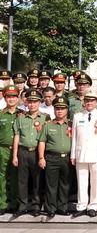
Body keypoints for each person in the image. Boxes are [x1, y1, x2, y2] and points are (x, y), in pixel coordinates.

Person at [70, 88, 97, 217]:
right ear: (84, 102)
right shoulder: (77, 116)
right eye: (87, 100)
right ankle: (81, 205)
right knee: (81, 181)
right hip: (80, 154)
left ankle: (93, 205)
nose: (89, 103)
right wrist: (73, 155)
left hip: (96, 154)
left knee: (95, 182)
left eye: (92, 100)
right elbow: (74, 137)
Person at [12, 89, 49, 216]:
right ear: (26, 102)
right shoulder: (21, 118)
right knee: (22, 181)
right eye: (30, 102)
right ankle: (22, 206)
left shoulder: (45, 118)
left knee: (37, 180)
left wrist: (42, 156)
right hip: (23, 152)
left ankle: (36, 206)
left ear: (40, 103)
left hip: (37, 153)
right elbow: (17, 137)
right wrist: (15, 155)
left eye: (35, 102)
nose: (32, 104)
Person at [37, 96, 73, 218]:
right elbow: (42, 142)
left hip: (67, 159)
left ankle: (62, 207)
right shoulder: (47, 125)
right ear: (54, 110)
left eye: (62, 108)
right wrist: (41, 158)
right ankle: (51, 208)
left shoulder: (72, 125)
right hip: (52, 158)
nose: (59, 111)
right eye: (57, 108)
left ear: (67, 110)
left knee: (65, 184)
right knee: (51, 185)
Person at [0, 85, 21, 215]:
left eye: (14, 96)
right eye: (9, 96)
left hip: (18, 150)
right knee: (1, 176)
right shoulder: (1, 114)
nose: (11, 99)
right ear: (5, 97)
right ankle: (2, 203)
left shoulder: (22, 114)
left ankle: (14, 203)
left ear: (18, 98)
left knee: (15, 177)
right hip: (3, 149)